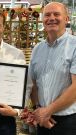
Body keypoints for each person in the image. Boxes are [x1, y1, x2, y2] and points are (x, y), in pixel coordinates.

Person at [29, 2, 76, 135]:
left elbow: (75, 88)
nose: (51, 18)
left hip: (68, 122)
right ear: (42, 20)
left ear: (66, 19)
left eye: (56, 14)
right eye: (47, 15)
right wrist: (38, 108)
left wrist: (47, 111)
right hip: (43, 120)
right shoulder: (37, 49)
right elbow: (33, 84)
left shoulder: (74, 46)